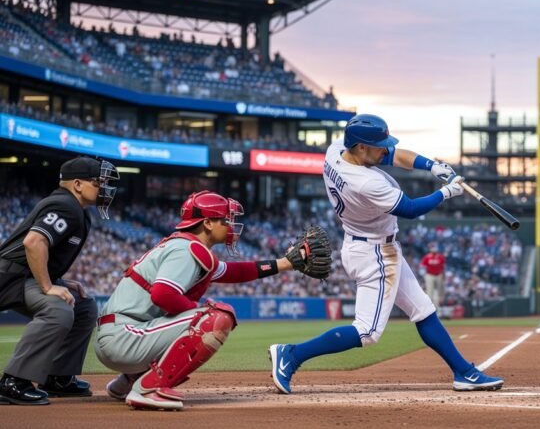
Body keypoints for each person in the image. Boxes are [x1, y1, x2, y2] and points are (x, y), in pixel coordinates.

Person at [269, 114, 503, 394]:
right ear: (361, 148)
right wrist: (447, 192)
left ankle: (464, 372)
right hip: (375, 252)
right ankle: (291, 355)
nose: (385, 150)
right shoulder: (366, 182)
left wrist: (431, 165)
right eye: (378, 146)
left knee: (423, 309)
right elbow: (411, 210)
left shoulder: (336, 151)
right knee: (366, 332)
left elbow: (396, 155)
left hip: (367, 243)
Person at [94, 191, 330, 410]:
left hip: (122, 334)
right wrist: (198, 314)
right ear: (207, 223)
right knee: (215, 317)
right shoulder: (188, 249)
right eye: (224, 221)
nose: (229, 226)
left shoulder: (185, 246)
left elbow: (234, 272)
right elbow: (162, 294)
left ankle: (127, 381)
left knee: (204, 314)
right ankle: (147, 389)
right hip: (125, 337)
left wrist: (284, 263)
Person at [0, 157, 119, 405]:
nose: (104, 188)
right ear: (77, 184)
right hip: (9, 276)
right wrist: (47, 286)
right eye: (98, 182)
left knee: (84, 306)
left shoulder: (75, 209)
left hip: (21, 275)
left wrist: (60, 282)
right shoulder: (65, 205)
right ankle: (12, 382)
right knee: (58, 310)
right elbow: (34, 242)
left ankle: (57, 376)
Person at [420, 243, 446, 308]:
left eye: (434, 248)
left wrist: (443, 276)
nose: (433, 249)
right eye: (432, 248)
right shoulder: (427, 257)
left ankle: (438, 306)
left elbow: (443, 267)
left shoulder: (440, 257)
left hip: (438, 275)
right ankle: (429, 307)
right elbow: (422, 267)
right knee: (429, 291)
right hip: (429, 275)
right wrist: (423, 276)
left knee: (439, 292)